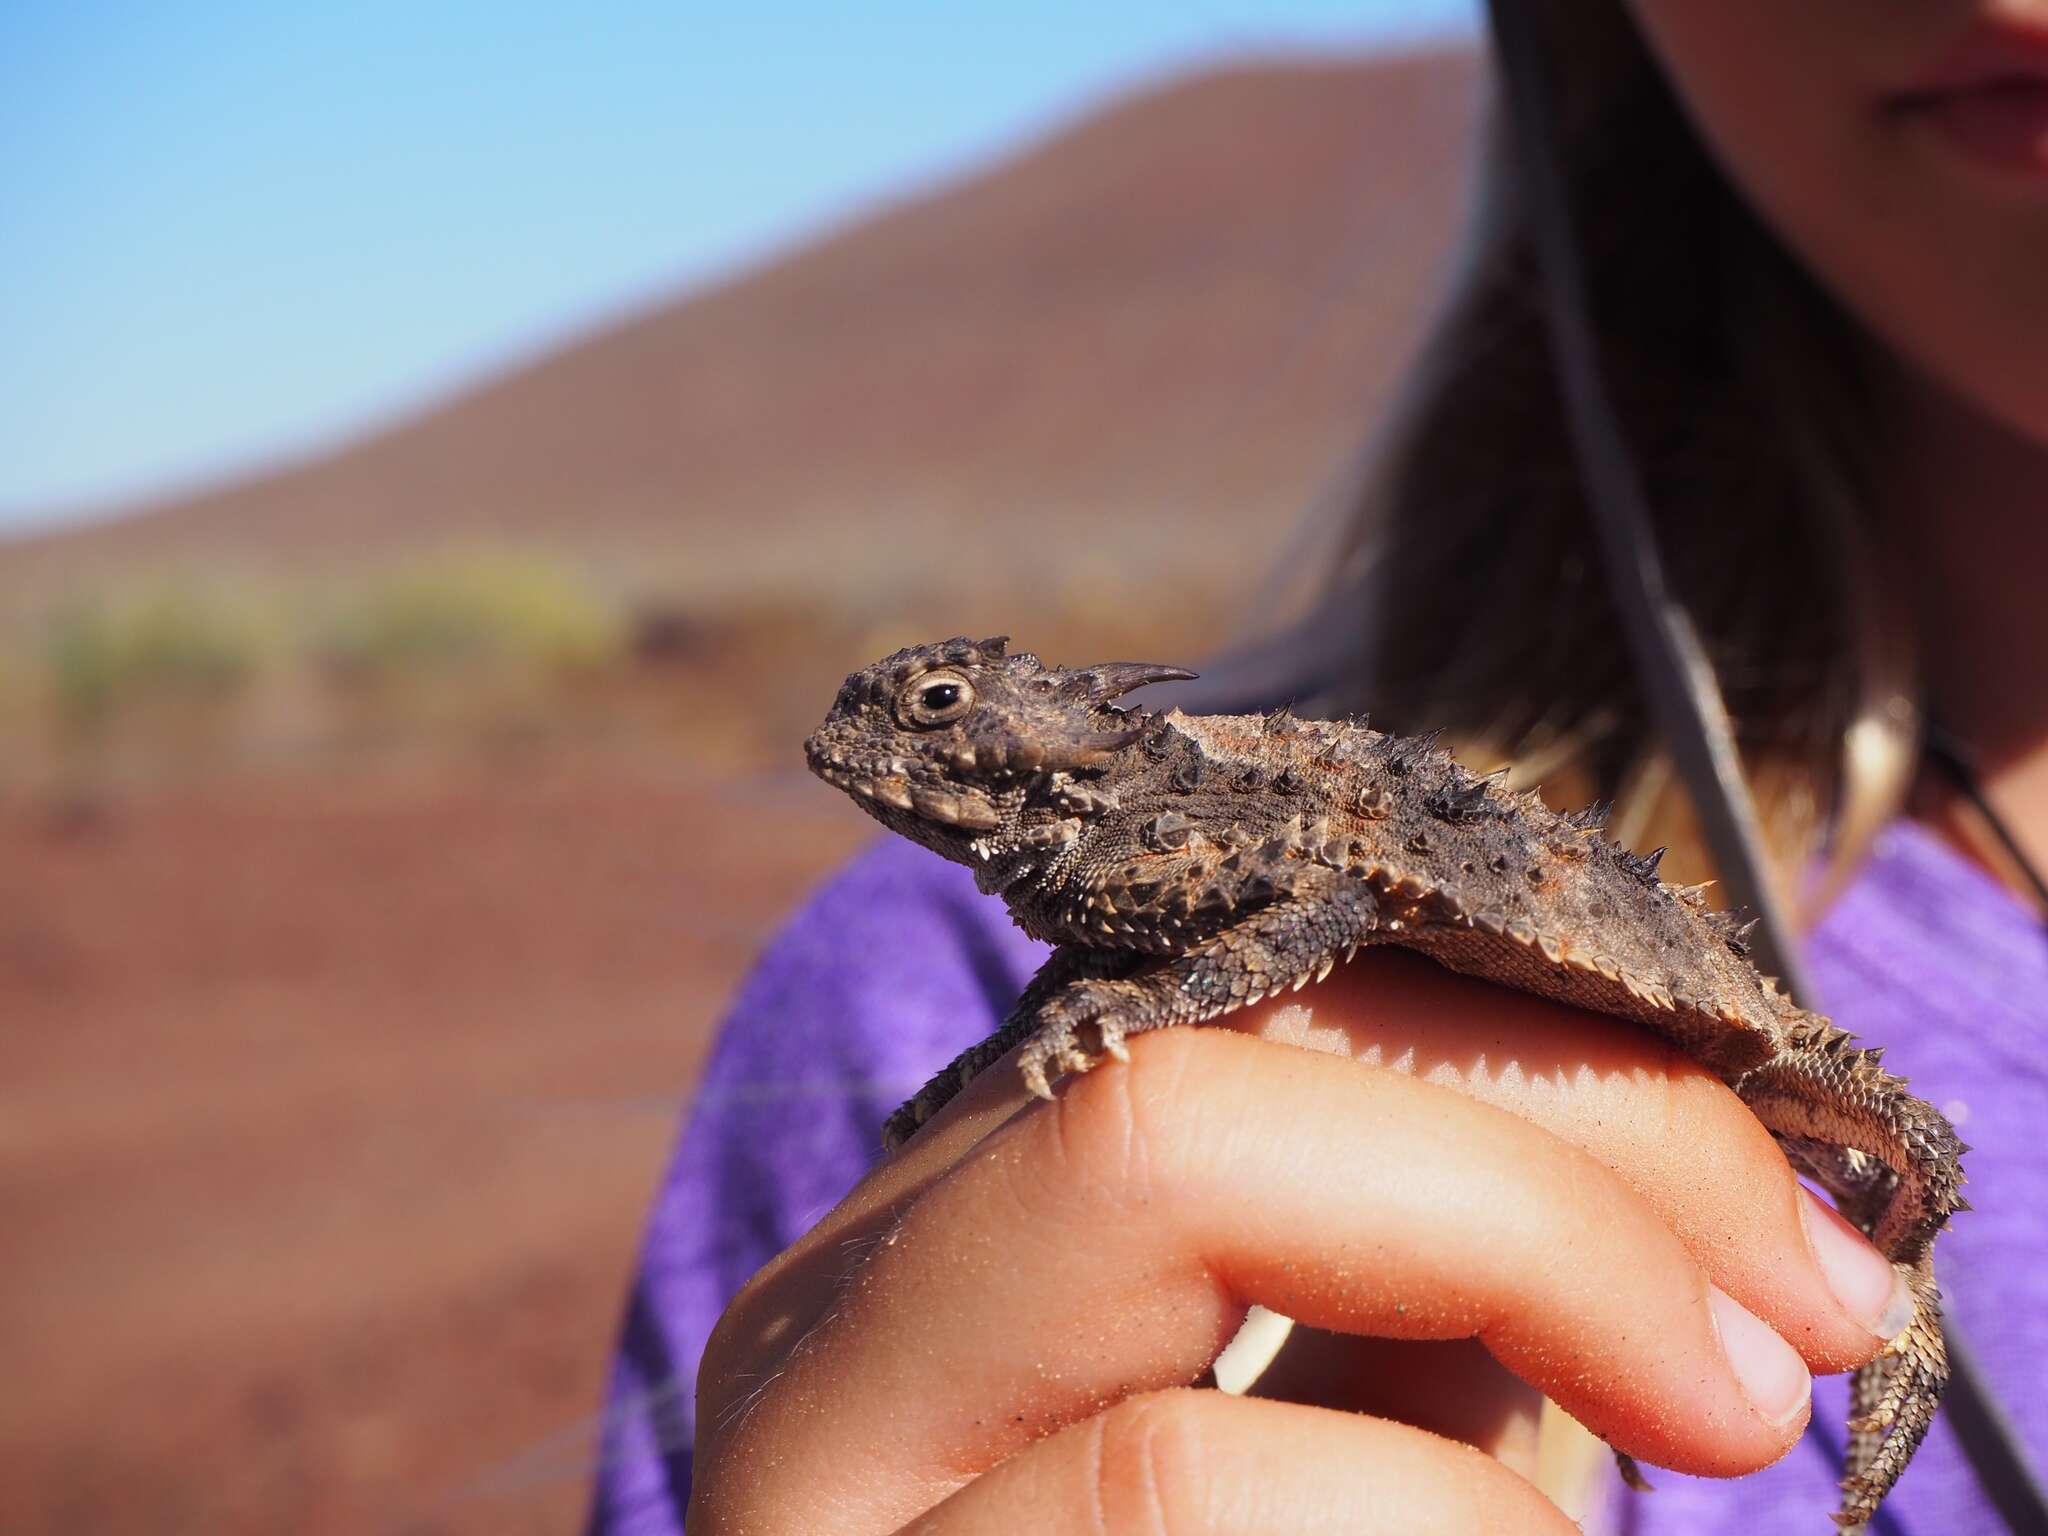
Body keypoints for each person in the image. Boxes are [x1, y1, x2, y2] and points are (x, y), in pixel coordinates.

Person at [588, 1, 2048, 1530]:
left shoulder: (1170, 819)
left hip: (1603, 936)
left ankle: (1902, 1333)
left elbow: (1316, 899)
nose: (893, 746)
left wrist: (1147, 1004)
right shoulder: (929, 978)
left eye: (944, 706)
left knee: (1904, 1140)